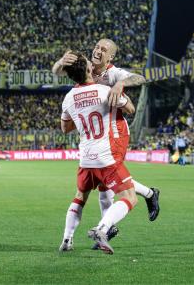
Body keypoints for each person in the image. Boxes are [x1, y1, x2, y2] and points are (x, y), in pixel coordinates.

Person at [53, 39, 160, 239]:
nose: (98, 51)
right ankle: (146, 196)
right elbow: (58, 71)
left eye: (104, 50)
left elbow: (140, 78)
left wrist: (121, 83)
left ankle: (106, 227)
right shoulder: (87, 67)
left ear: (110, 57)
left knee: (107, 178)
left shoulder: (114, 73)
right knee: (105, 182)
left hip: (116, 131)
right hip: (99, 133)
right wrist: (60, 62)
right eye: (96, 47)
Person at [58, 53, 140, 254]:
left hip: (86, 158)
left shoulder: (68, 97)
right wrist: (120, 89)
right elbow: (131, 109)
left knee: (79, 197)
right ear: (87, 70)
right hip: (106, 156)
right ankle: (102, 229)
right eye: (89, 64)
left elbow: (65, 128)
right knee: (130, 196)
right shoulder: (105, 91)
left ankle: (67, 240)